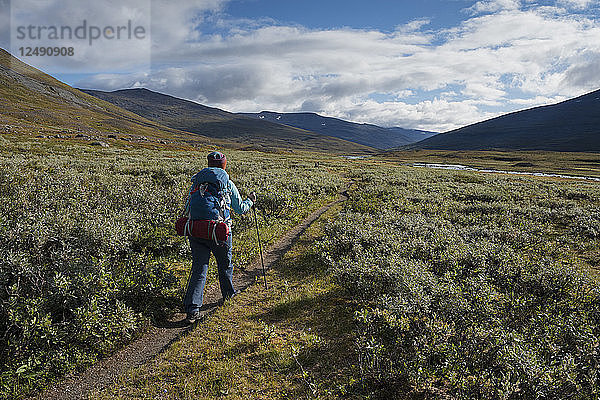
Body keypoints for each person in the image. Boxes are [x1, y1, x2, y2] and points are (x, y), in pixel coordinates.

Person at [183, 151, 256, 324]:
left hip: (196, 230)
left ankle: (193, 309)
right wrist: (251, 201)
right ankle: (228, 296)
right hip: (219, 232)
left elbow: (187, 207)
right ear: (224, 165)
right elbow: (240, 209)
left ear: (208, 164)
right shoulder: (227, 184)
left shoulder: (196, 182)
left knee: (199, 268)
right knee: (225, 265)